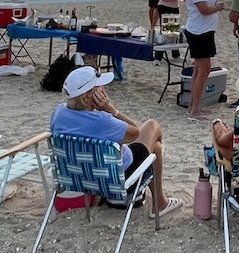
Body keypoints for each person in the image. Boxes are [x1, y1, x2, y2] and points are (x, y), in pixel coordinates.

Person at [50, 65, 179, 217]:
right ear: (86, 97)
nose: (104, 88)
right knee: (152, 126)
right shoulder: (102, 121)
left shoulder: (58, 114)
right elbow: (136, 132)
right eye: (99, 87)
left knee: (155, 148)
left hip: (84, 179)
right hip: (117, 180)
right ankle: (159, 204)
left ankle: (158, 200)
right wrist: (111, 110)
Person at [182, 0, 225, 121]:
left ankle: (195, 106)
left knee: (199, 71)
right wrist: (218, 7)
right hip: (199, 33)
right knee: (204, 70)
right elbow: (204, 10)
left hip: (203, 32)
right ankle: (194, 110)